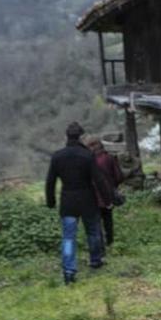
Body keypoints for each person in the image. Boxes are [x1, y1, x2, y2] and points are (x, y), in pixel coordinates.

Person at [45, 122, 108, 285]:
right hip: (87, 200)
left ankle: (68, 271)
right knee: (93, 233)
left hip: (68, 202)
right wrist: (109, 199)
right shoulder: (87, 155)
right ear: (80, 136)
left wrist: (50, 201)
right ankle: (95, 260)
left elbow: (50, 182)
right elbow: (99, 180)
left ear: (66, 136)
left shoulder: (57, 156)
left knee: (68, 239)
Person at [86, 137, 124, 250]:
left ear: (91, 147)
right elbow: (119, 176)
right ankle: (110, 242)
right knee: (108, 220)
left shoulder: (87, 160)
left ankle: (99, 245)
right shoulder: (109, 158)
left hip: (92, 196)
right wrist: (113, 185)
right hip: (108, 194)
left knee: (96, 221)